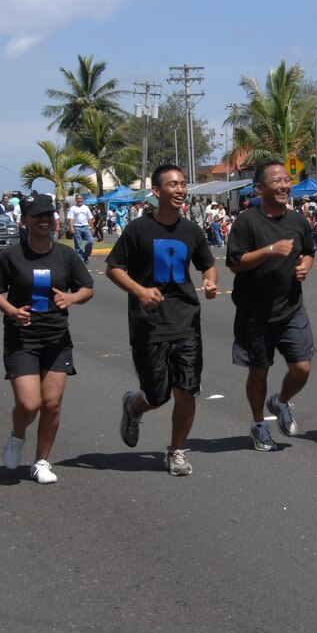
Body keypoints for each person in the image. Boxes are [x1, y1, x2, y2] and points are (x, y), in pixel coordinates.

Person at [108, 164, 218, 476]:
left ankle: (176, 451)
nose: (181, 190)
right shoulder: (138, 230)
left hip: (185, 321)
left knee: (186, 389)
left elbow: (207, 266)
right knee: (157, 394)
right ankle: (134, 406)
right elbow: (114, 267)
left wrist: (210, 282)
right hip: (148, 324)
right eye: (173, 184)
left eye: (183, 184)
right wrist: (139, 290)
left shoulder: (191, 231)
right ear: (156, 192)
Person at [0, 194, 93, 484]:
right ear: (26, 221)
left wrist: (72, 297)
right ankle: (16, 436)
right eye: (37, 216)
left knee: (52, 404)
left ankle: (41, 461)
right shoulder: (11, 256)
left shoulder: (65, 255)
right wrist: (11, 311)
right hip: (22, 339)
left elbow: (87, 288)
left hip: (57, 339)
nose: (45, 220)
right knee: (29, 404)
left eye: (49, 215)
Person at [226, 161, 315, 451]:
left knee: (302, 367)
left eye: (287, 180)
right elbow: (235, 264)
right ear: (260, 188)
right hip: (255, 312)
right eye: (276, 181)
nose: (284, 185)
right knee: (259, 371)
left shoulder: (298, 221)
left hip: (291, 308)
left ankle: (280, 401)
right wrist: (270, 250)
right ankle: (259, 424)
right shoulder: (246, 222)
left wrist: (305, 266)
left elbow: (308, 252)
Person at [67, 192, 94, 264]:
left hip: (86, 227)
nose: (79, 200)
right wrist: (71, 228)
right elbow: (71, 219)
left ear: (83, 199)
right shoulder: (73, 208)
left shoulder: (86, 208)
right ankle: (81, 260)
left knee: (90, 242)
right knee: (78, 245)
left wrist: (92, 228)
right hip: (77, 227)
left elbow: (90, 218)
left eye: (81, 198)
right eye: (78, 198)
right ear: (76, 200)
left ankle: (85, 256)